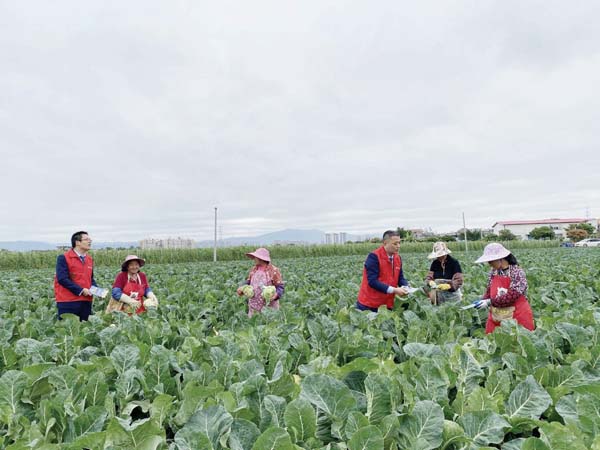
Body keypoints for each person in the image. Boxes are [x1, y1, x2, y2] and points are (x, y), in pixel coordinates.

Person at [472, 243, 535, 333]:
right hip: (497, 316)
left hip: (517, 316)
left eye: (491, 261)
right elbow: (489, 291)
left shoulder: (517, 272)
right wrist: (483, 300)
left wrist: (489, 302)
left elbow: (513, 295)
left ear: (500, 259)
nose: (489, 263)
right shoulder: (493, 273)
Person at [356, 230, 409, 312]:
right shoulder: (374, 257)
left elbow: (400, 277)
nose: (398, 246)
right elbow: (372, 281)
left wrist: (406, 286)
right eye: (395, 244)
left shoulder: (398, 258)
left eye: (399, 243)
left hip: (387, 304)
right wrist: (394, 290)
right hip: (369, 304)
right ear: (385, 243)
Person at [54, 231, 100, 321]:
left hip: (86, 301)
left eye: (90, 239)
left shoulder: (89, 259)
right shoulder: (64, 258)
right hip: (68, 301)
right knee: (67, 328)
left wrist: (97, 291)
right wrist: (81, 290)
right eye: (86, 239)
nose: (90, 241)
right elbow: (62, 279)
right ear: (77, 242)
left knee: (85, 328)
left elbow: (90, 279)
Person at [237, 248, 284, 317]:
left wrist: (276, 295)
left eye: (255, 257)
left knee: (268, 321)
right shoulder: (254, 269)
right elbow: (248, 281)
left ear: (261, 259)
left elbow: (280, 286)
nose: (254, 259)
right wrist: (242, 288)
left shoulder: (274, 270)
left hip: (269, 306)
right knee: (254, 320)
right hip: (254, 303)